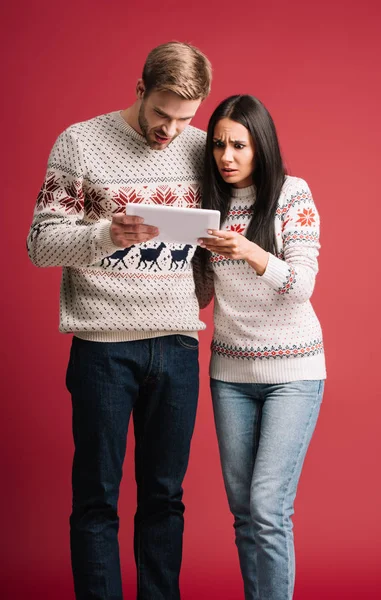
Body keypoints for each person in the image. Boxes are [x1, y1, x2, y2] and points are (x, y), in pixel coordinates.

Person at [27, 41, 212, 600]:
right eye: (162, 113)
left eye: (185, 118)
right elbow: (39, 244)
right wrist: (108, 234)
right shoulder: (80, 143)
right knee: (96, 497)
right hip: (103, 346)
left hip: (177, 346)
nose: (171, 130)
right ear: (139, 90)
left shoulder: (204, 149)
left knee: (165, 497)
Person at [196, 95, 327, 600]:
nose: (226, 156)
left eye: (238, 145)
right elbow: (203, 295)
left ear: (261, 145)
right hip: (229, 373)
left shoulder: (293, 195)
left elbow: (301, 285)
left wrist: (250, 250)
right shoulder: (208, 207)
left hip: (294, 371)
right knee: (244, 511)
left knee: (269, 506)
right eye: (218, 145)